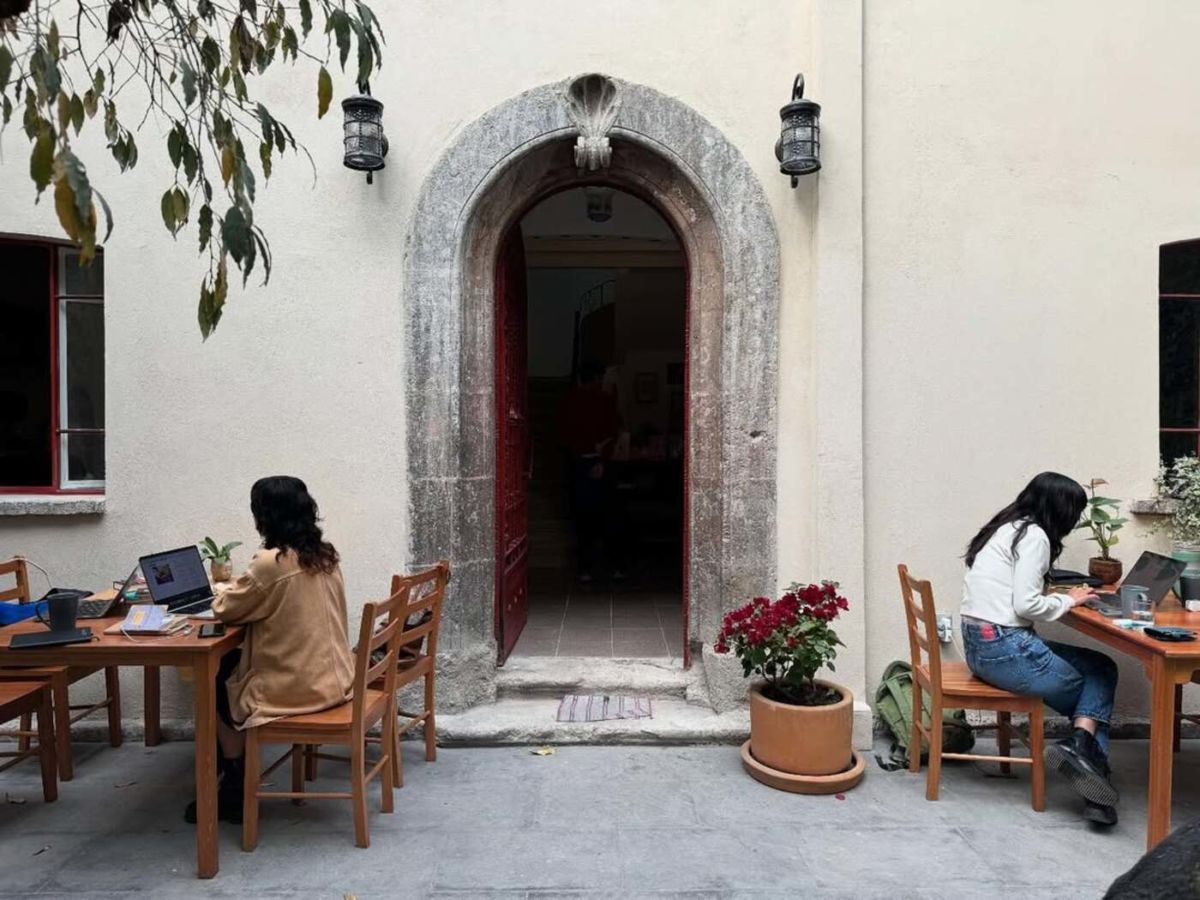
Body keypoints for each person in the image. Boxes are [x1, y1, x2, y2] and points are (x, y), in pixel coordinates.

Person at [185, 476, 354, 824]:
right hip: (334, 678)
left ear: (265, 516)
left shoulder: (270, 563)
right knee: (229, 665)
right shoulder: (325, 555)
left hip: (296, 689)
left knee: (212, 682)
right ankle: (228, 766)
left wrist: (224, 589)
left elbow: (225, 610)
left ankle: (234, 783)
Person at [960, 471, 1120, 827]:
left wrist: (1061, 598)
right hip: (1006, 648)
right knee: (1093, 698)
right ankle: (1094, 779)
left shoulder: (1007, 528)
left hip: (981, 645)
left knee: (1102, 667)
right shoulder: (1034, 537)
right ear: (1060, 509)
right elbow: (1027, 607)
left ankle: (1082, 750)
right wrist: (1070, 600)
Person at [557, 360, 624, 582]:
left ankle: (585, 568)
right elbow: (613, 430)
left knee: (583, 520)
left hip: (578, 465)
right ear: (597, 378)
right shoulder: (604, 401)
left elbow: (564, 435)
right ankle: (613, 567)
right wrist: (602, 459)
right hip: (598, 464)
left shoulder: (569, 401)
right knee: (608, 518)